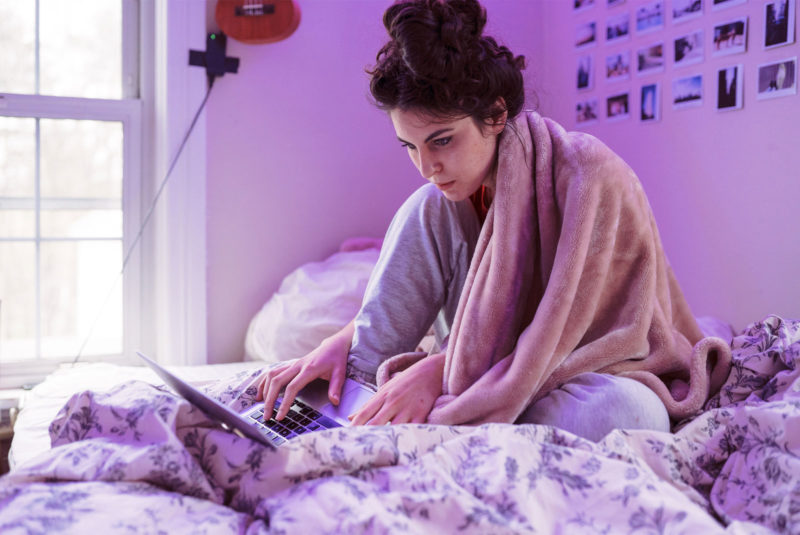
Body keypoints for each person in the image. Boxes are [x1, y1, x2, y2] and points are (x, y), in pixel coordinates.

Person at [256, 0, 728, 441]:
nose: (426, 166)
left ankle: (453, 412)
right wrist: (345, 341)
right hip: (471, 372)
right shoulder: (437, 206)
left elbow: (596, 335)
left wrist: (442, 369)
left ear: (497, 115)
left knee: (628, 414)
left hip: (586, 372)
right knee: (425, 207)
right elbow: (385, 326)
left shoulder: (588, 174)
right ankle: (355, 403)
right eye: (410, 146)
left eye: (442, 140)